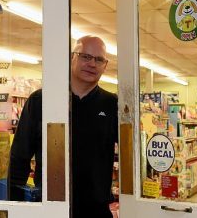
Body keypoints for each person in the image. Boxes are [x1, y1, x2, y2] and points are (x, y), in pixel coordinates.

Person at [8, 35, 118, 218]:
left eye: (99, 59)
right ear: (71, 58)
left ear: (105, 66)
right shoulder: (41, 100)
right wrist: (16, 205)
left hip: (96, 210)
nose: (92, 64)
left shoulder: (112, 104)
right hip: (50, 208)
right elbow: (19, 157)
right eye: (85, 56)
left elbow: (130, 155)